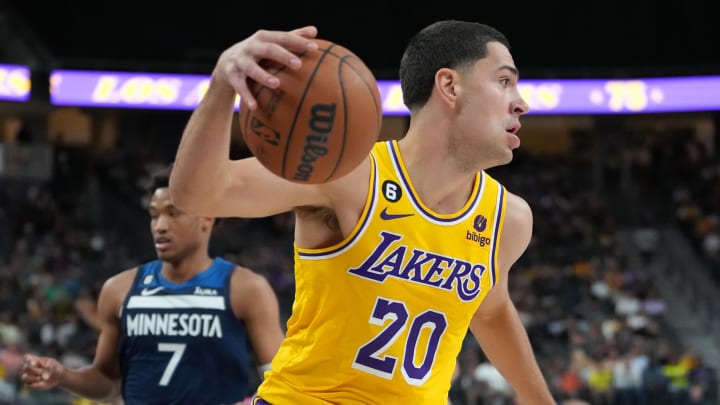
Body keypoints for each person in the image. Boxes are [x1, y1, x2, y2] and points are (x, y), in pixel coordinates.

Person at [169, 20, 555, 404]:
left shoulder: (508, 219)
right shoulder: (348, 175)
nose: (521, 101)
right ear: (450, 87)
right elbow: (197, 194)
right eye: (504, 81)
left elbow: (490, 311)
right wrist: (222, 86)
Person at [21, 165, 284, 405]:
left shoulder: (246, 289)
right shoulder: (119, 290)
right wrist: (63, 376)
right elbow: (107, 382)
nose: (160, 226)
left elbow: (283, 382)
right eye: (154, 215)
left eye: (173, 213)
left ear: (207, 217)